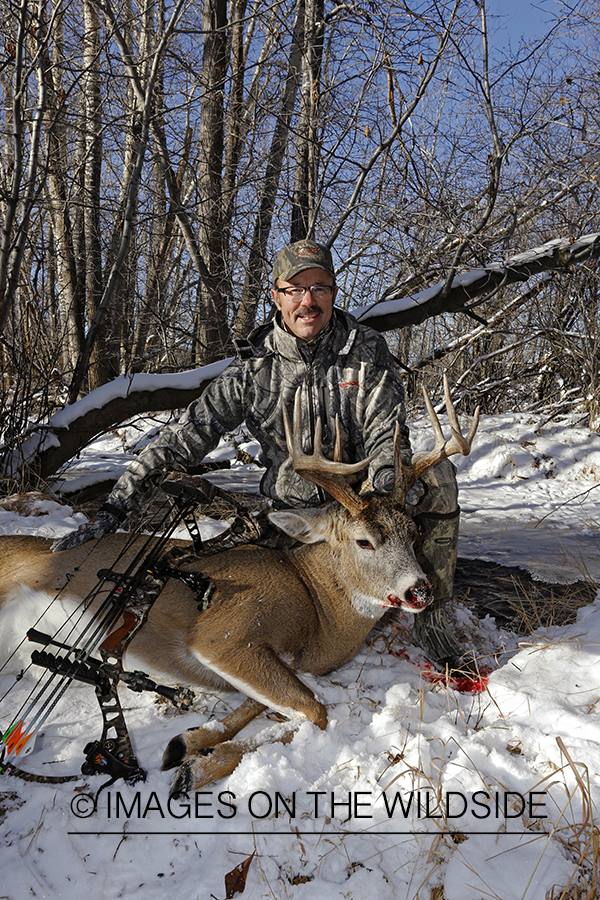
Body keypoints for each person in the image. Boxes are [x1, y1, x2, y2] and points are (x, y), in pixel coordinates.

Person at [52, 239, 464, 667]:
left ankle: (432, 622)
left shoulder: (365, 352)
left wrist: (379, 503)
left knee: (437, 476)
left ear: (334, 294)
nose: (309, 301)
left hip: (362, 509)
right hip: (292, 515)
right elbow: (188, 433)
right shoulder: (253, 369)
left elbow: (388, 435)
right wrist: (116, 508)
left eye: (320, 288)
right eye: (295, 289)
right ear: (277, 296)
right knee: (204, 580)